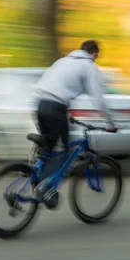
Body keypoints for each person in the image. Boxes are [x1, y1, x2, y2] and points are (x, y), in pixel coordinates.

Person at [32, 39, 117, 202]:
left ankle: (36, 177)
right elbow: (98, 98)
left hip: (40, 105)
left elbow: (55, 87)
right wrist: (110, 123)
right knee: (66, 150)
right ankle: (45, 189)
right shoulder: (89, 66)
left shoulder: (62, 61)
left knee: (49, 150)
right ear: (95, 54)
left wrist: (65, 112)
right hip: (55, 108)